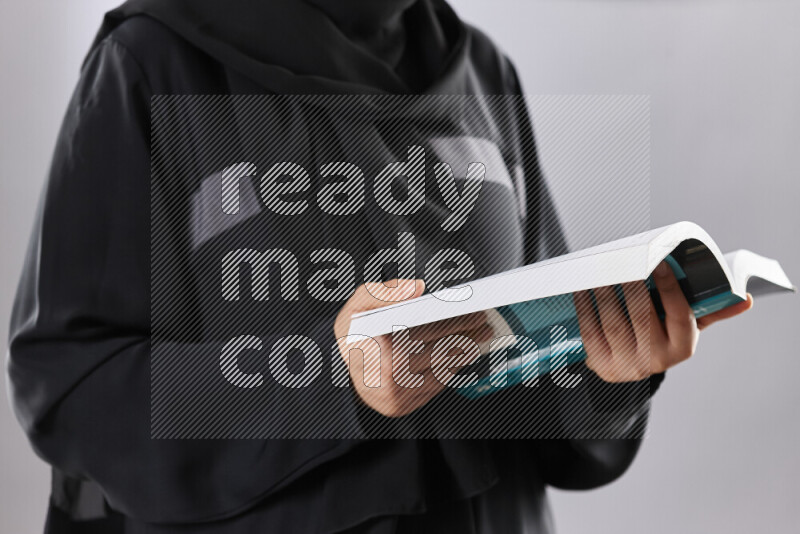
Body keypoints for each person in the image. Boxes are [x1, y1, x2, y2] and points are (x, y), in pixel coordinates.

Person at [7, 1, 752, 533]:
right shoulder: (152, 61)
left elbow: (536, 388)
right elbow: (69, 384)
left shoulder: (483, 71)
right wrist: (334, 378)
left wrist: (607, 374)